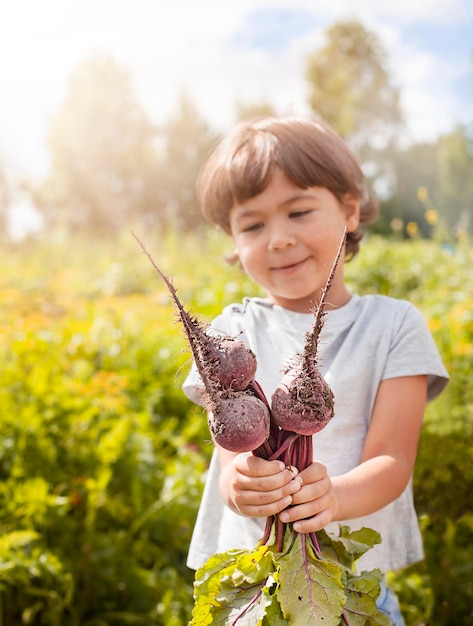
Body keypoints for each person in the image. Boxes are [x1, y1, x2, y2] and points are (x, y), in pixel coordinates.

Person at [182, 115, 449, 625]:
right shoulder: (229, 330)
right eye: (253, 225)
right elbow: (228, 453)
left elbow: (393, 458)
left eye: (298, 211)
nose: (278, 239)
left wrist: (334, 496)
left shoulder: (394, 326)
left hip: (348, 589)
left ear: (349, 211)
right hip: (254, 590)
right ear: (232, 240)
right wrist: (239, 483)